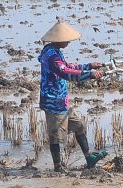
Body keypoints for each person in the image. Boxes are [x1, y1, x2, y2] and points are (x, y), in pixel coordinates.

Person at [37, 19, 108, 172]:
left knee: (79, 125)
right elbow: (66, 73)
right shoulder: (51, 56)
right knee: (56, 136)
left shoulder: (55, 52)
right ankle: (58, 167)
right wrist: (89, 75)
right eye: (66, 39)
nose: (68, 41)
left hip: (62, 100)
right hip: (53, 101)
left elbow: (68, 66)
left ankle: (89, 158)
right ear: (59, 39)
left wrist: (88, 66)